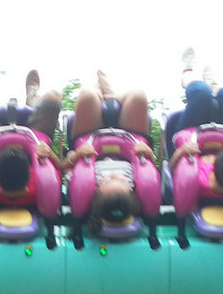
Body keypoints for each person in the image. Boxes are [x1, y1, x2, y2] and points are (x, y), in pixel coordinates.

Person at [63, 72, 157, 231]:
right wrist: (148, 154)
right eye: (122, 180)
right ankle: (111, 94)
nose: (113, 175)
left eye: (107, 180)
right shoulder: (138, 184)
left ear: (96, 191)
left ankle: (100, 90)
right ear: (132, 190)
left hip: (90, 138)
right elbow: (149, 166)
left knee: (88, 95)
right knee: (138, 95)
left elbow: (65, 168)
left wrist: (77, 155)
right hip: (130, 139)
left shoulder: (87, 184)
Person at [0, 69, 63, 208]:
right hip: (36, 136)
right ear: (29, 174)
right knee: (54, 96)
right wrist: (49, 153)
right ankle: (33, 98)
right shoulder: (41, 183)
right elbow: (62, 169)